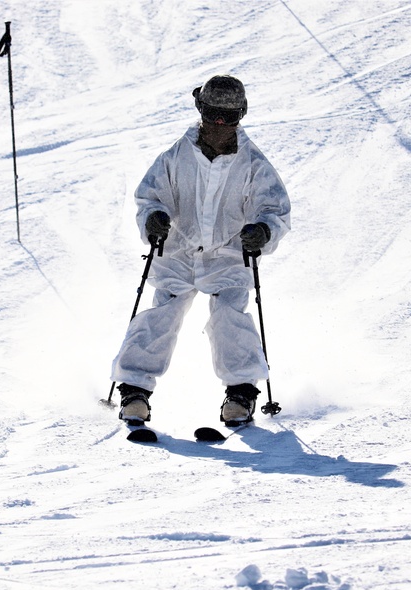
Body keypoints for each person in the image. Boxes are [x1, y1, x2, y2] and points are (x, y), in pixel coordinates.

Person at [110, 75, 291, 426]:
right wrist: (154, 219)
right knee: (164, 311)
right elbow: (150, 196)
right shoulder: (176, 157)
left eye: (229, 117)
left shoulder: (254, 164)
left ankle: (240, 393)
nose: (219, 125)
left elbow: (274, 208)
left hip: (229, 253)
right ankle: (134, 390)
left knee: (229, 314)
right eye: (212, 115)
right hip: (178, 248)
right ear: (200, 110)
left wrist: (263, 230)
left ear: (241, 116)